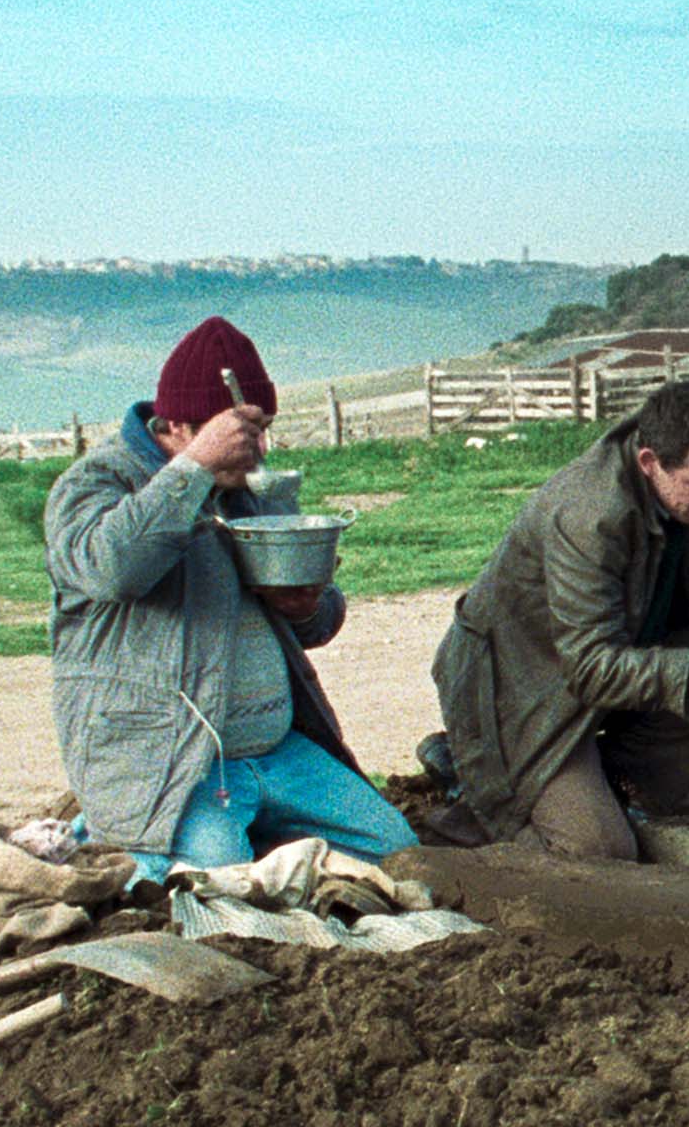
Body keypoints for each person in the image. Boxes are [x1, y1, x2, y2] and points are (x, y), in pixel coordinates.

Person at [44, 316, 415, 880]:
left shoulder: (249, 484)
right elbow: (111, 569)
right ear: (180, 426)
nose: (259, 448)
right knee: (220, 884)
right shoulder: (96, 482)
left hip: (275, 750)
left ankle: (234, 830)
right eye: (244, 433)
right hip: (174, 759)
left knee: (397, 853)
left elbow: (322, 614)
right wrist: (192, 471)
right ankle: (111, 826)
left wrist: (306, 607)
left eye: (263, 430)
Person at [426, 379, 689, 859]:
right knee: (602, 852)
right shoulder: (589, 513)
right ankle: (480, 783)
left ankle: (605, 782)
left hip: (619, 653)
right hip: (522, 688)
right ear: (650, 462)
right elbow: (590, 669)